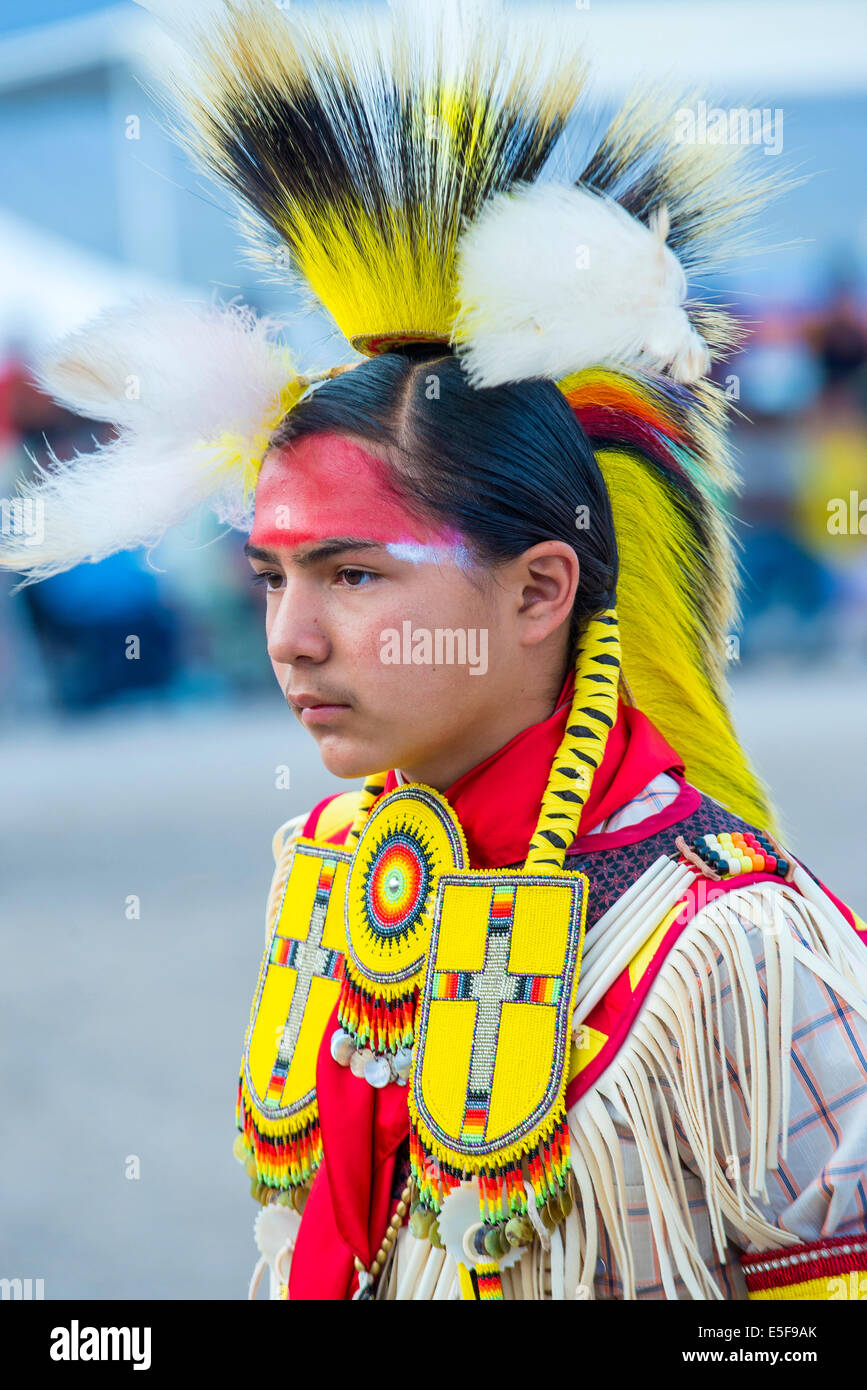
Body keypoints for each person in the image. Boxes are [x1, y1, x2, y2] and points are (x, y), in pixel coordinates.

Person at [3, 0, 866, 1302]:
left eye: (355, 574)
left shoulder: (744, 954)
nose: (293, 638)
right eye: (274, 575)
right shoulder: (342, 867)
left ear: (538, 591)